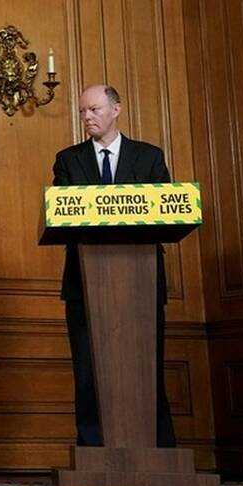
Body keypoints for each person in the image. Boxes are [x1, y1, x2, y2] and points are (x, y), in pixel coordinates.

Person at [51, 84, 175, 448]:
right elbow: (61, 213)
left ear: (116, 109)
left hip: (141, 284)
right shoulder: (68, 160)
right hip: (85, 284)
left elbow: (166, 211)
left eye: (94, 109)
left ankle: (158, 446)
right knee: (88, 369)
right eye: (83, 112)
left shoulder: (149, 157)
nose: (87, 117)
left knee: (148, 366)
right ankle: (93, 447)